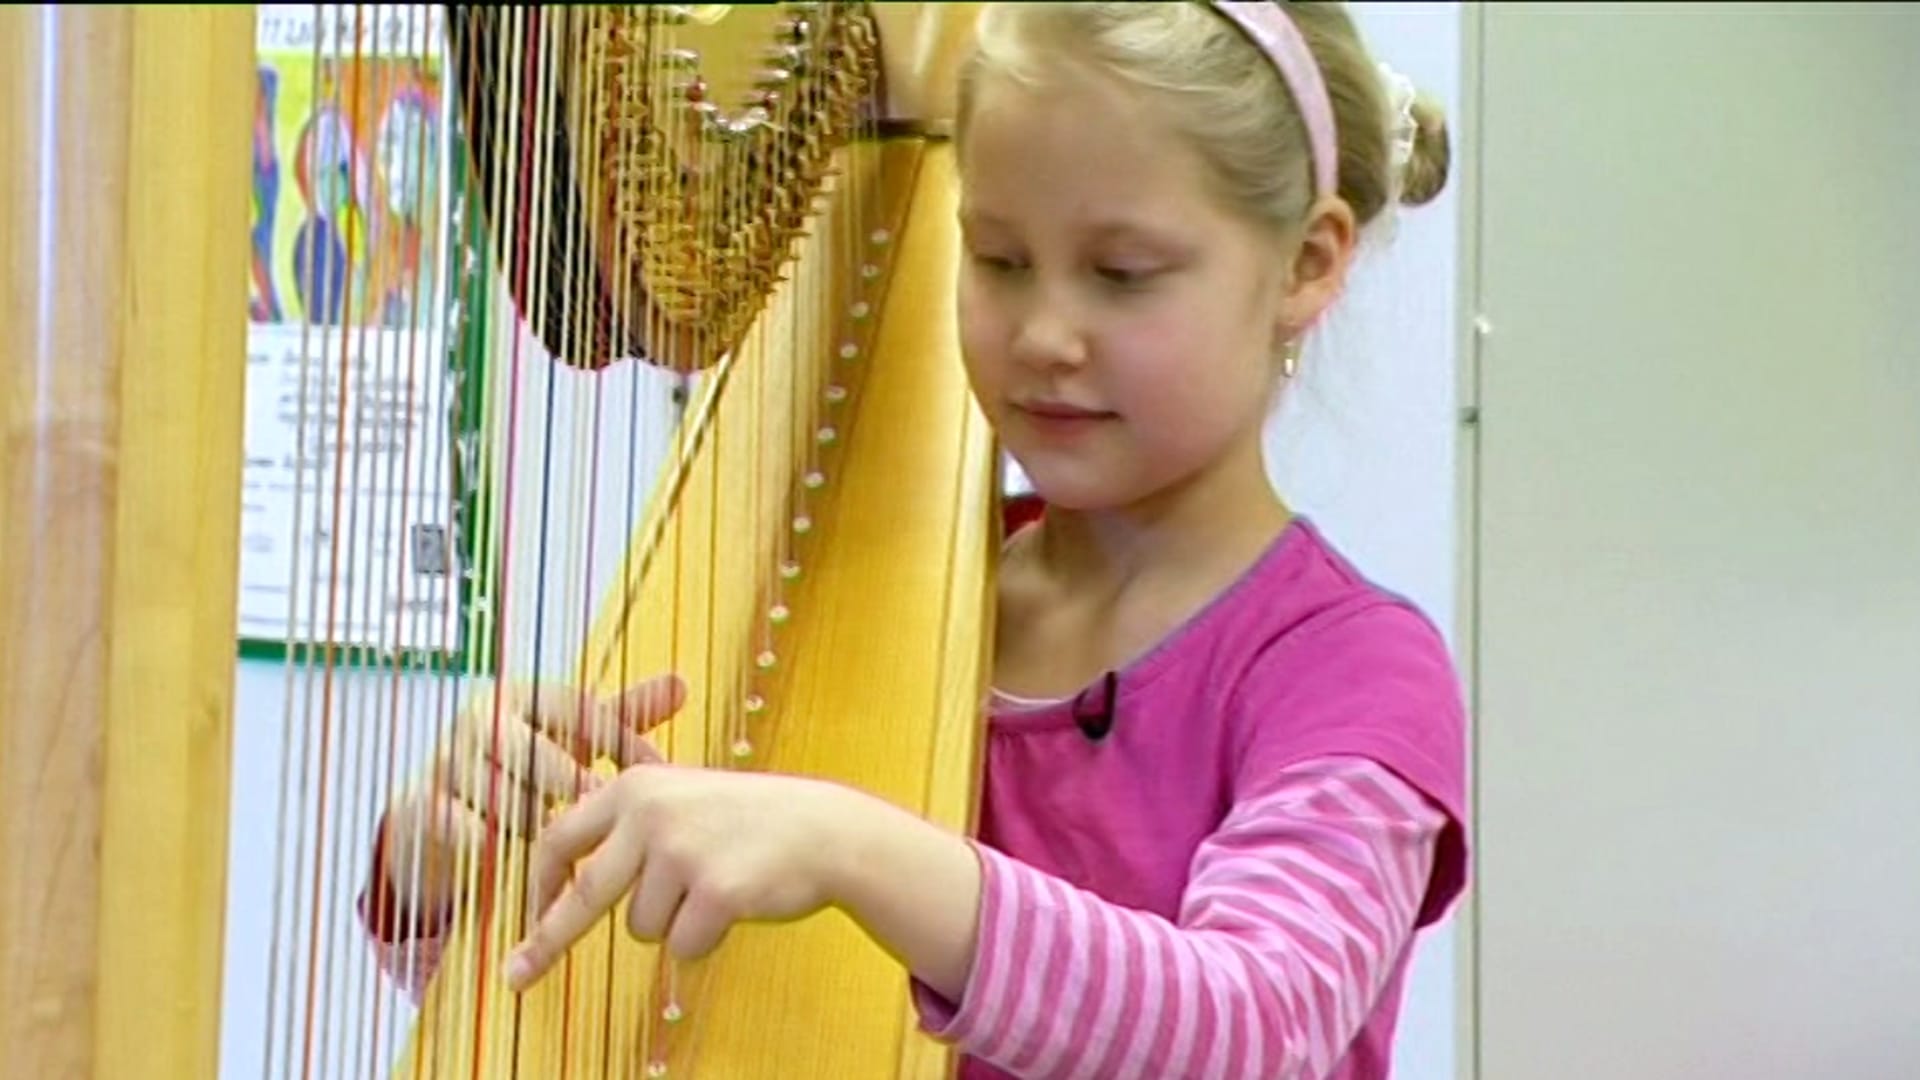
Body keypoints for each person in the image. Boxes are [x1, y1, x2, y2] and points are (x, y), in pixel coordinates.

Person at [359, 3, 1468, 1076]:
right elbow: (639, 1023)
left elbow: (1259, 1029)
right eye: (998, 259)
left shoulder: (1349, 671)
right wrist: (448, 866)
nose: (1046, 335)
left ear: (1308, 263)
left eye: (1122, 274)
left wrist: (854, 848)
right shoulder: (875, 588)